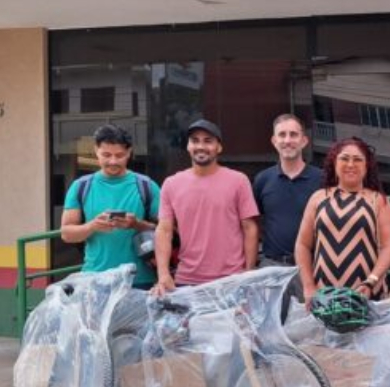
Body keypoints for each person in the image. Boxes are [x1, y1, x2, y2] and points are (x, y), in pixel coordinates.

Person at [152, 119, 259, 294]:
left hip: (232, 280)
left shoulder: (238, 181)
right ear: (188, 146)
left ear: (219, 147)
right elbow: (164, 230)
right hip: (186, 281)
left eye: (208, 141)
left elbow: (249, 228)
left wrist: (248, 273)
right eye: (195, 140)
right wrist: (163, 275)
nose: (201, 146)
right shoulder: (171, 184)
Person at [295, 137, 390, 301]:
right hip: (323, 295)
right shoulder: (318, 198)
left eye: (358, 159)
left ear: (367, 166)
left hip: (365, 294)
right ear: (334, 163)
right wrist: (308, 287)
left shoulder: (379, 201)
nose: (351, 164)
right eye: (344, 158)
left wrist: (371, 281)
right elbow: (302, 245)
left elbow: (389, 247)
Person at [61, 124, 161, 290]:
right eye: (106, 155)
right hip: (95, 280)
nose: (113, 161)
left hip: (140, 280)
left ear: (129, 153)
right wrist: (93, 226)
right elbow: (66, 234)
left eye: (119, 155)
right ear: (96, 151)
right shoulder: (80, 186)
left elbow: (167, 230)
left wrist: (137, 224)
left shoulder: (146, 186)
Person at [253, 114, 323, 268]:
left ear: (304, 141)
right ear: (274, 141)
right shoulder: (263, 180)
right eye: (282, 135)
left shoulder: (322, 180)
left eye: (293, 135)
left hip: (312, 266)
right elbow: (254, 223)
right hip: (270, 266)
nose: (287, 140)